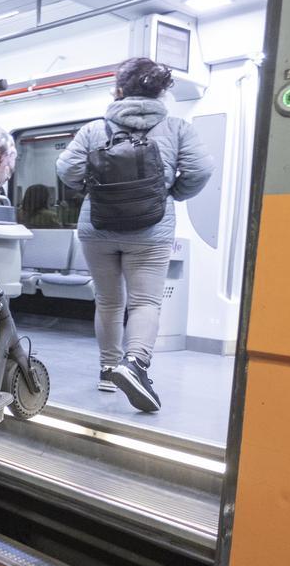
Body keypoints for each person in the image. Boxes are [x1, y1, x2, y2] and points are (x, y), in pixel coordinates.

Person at [56, 57, 213, 412]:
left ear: (120, 89)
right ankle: (135, 364)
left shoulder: (95, 129)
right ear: (161, 92)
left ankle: (108, 369)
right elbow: (202, 169)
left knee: (109, 302)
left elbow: (66, 168)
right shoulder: (177, 128)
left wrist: (90, 189)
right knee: (145, 302)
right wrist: (172, 192)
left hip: (97, 227)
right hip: (151, 228)